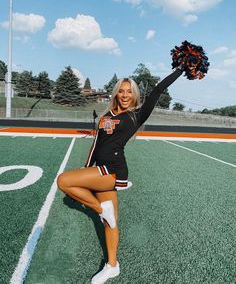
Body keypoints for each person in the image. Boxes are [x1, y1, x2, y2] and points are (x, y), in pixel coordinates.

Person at [57, 67, 184, 284]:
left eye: (129, 92)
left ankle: (100, 209)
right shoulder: (106, 116)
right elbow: (97, 145)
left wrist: (180, 69)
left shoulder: (136, 114)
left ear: (134, 94)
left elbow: (157, 90)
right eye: (121, 91)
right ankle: (112, 266)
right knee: (111, 223)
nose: (125, 95)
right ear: (116, 93)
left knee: (63, 181)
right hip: (98, 169)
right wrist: (86, 168)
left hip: (114, 170)